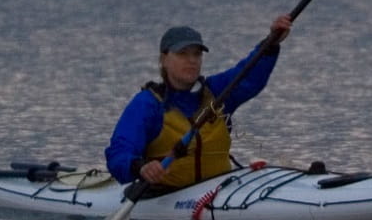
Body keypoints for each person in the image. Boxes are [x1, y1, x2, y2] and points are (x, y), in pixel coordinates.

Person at [106, 15, 294, 190]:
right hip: (164, 195)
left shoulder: (217, 93)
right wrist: (140, 167)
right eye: (183, 54)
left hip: (219, 191)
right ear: (164, 59)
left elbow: (249, 74)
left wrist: (271, 42)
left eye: (197, 54)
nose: (192, 60)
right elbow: (119, 151)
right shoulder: (148, 104)